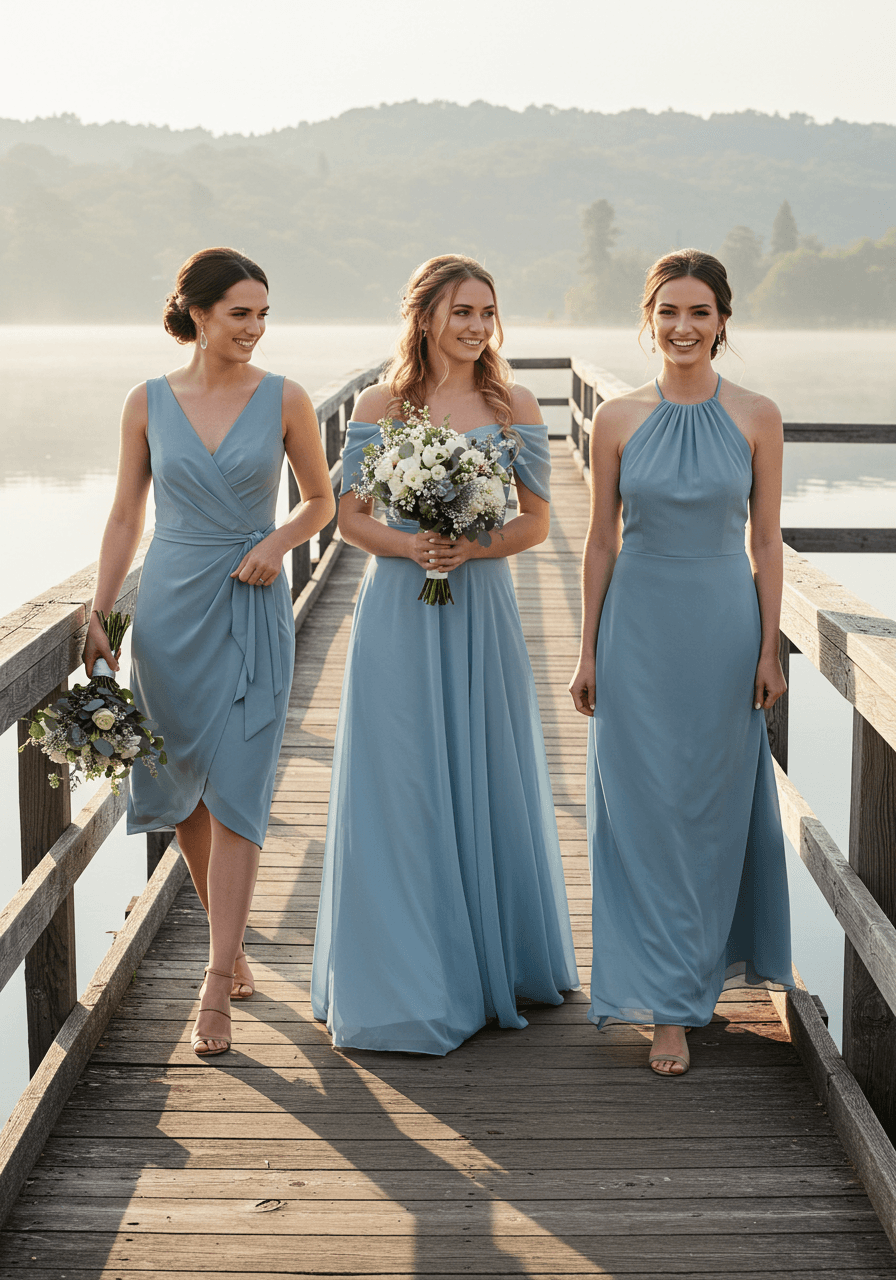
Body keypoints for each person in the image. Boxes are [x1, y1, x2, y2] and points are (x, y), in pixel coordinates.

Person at [311, 254, 579, 1054]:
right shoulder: (381, 403)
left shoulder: (515, 403)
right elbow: (348, 516)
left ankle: (494, 959)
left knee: (481, 768)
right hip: (397, 605)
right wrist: (409, 545)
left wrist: (473, 546)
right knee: (398, 779)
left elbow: (535, 524)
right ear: (425, 315)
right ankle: (402, 975)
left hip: (480, 605)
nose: (476, 326)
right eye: (461, 311)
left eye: (487, 313)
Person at [83, 246, 334, 1057]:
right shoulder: (146, 402)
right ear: (198, 313)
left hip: (253, 604)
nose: (255, 329)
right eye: (240, 314)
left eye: (264, 315)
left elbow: (322, 501)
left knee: (240, 788)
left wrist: (279, 540)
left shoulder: (286, 397)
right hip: (169, 610)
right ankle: (234, 948)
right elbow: (126, 515)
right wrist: (99, 611)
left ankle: (216, 980)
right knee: (186, 791)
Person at [569, 248, 793, 1077]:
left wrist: (770, 648)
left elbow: (765, 540)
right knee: (645, 813)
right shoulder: (617, 419)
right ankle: (668, 1008)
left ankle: (697, 980)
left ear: (723, 321)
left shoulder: (758, 415)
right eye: (668, 312)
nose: (683, 327)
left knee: (711, 811)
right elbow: (600, 541)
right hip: (639, 629)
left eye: (699, 312)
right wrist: (587, 648)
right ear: (648, 319)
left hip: (725, 627)